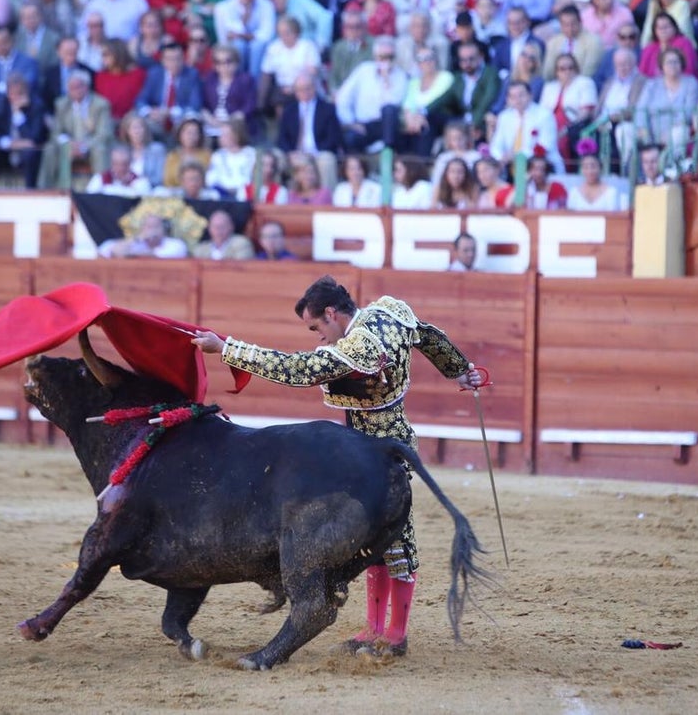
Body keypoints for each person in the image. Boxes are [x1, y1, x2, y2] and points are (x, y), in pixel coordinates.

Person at [190, 275, 485, 658]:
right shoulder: (388, 310)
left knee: (395, 538)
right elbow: (427, 335)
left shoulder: (359, 346)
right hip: (366, 445)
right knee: (373, 539)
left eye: (317, 327)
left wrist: (227, 349)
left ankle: (396, 635)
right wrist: (461, 370)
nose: (318, 337)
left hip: (384, 447)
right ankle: (375, 628)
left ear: (331, 313)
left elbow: (296, 369)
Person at [334, 36, 406, 154]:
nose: (386, 61)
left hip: (386, 125)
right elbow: (343, 98)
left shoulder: (400, 75)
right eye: (382, 57)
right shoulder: (364, 70)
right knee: (350, 138)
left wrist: (386, 80)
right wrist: (351, 123)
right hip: (363, 125)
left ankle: (387, 153)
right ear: (375, 57)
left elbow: (393, 103)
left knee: (389, 111)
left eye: (390, 57)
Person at [0, 73, 48, 189]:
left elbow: (34, 138)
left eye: (21, 93)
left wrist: (18, 115)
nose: (16, 97)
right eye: (13, 94)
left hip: (25, 155)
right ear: (8, 93)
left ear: (27, 92)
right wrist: (7, 143)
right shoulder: (0, 104)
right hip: (3, 152)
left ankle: (30, 192)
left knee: (31, 153)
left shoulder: (36, 106)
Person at [97, 213, 188, 258]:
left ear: (163, 230)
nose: (152, 230)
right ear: (141, 229)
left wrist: (130, 255)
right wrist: (137, 239)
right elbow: (106, 250)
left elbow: (158, 256)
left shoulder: (176, 244)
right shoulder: (136, 242)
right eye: (148, 226)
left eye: (156, 226)